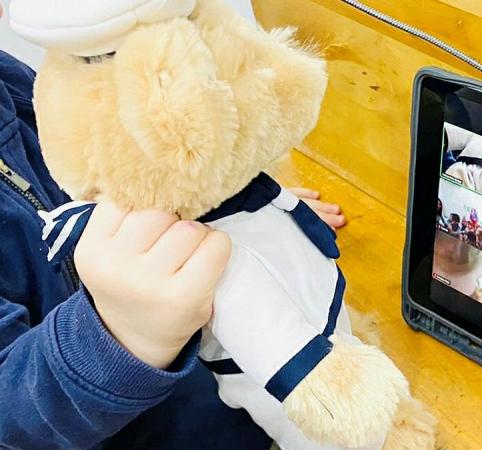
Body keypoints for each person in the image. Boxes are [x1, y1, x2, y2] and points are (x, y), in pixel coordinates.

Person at [0, 45, 346, 448]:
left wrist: (224, 204)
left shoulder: (13, 79)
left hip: (220, 385)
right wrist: (118, 336)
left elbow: (92, 173)